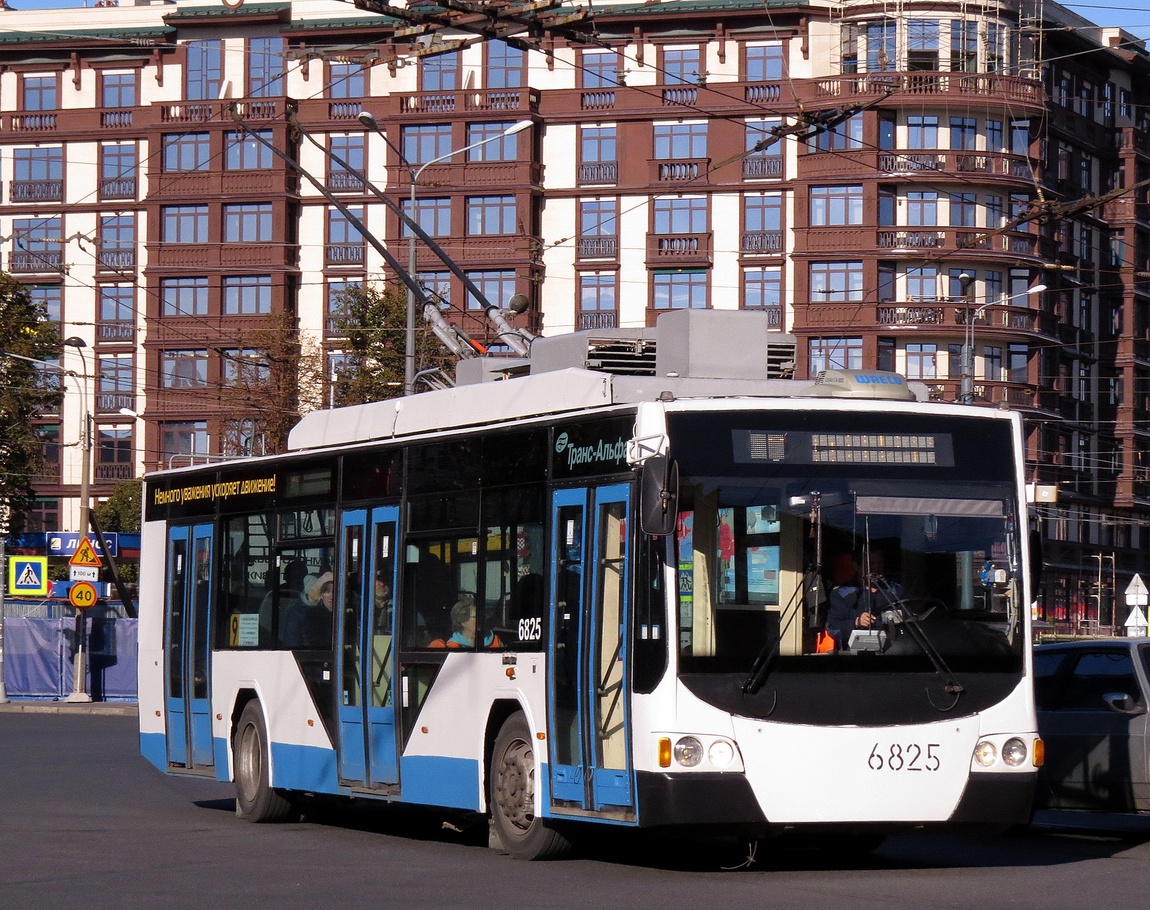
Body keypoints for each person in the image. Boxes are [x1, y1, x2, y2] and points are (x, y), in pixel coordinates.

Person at [825, 547, 902, 651]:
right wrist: (857, 622)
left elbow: (911, 617)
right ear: (856, 566)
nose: (876, 568)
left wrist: (896, 618)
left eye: (880, 563)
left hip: (894, 650)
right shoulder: (842, 592)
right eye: (871, 564)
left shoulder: (894, 590)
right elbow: (832, 627)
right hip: (857, 652)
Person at [301, 571, 335, 648]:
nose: (331, 597)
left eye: (335, 592)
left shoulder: (348, 614)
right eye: (327, 592)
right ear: (321, 595)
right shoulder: (313, 616)